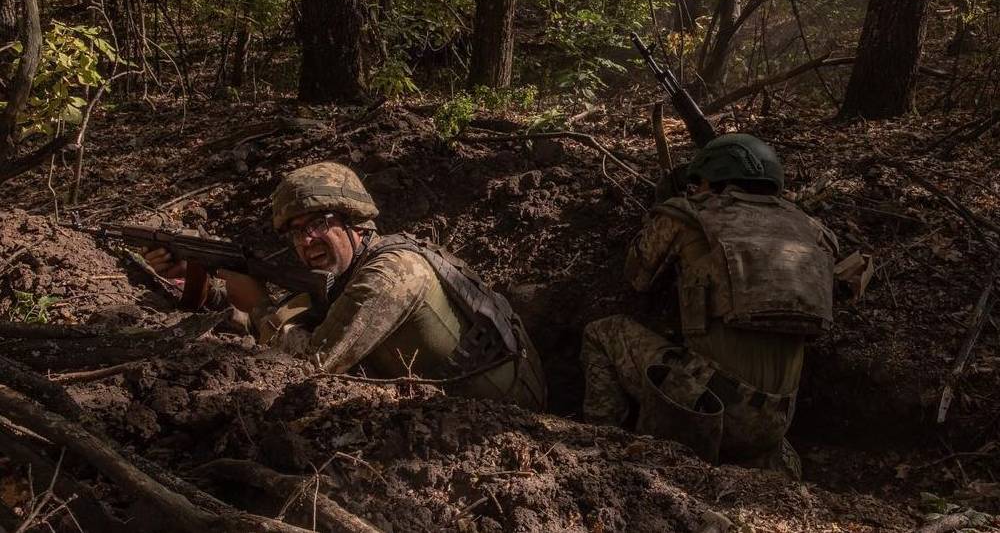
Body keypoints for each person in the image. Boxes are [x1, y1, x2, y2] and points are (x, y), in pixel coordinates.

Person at [145, 162, 546, 410]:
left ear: (354, 221)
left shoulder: (392, 273)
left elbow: (310, 367)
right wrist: (211, 288)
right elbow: (304, 311)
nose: (306, 241)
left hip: (501, 414)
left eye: (319, 223)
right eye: (296, 231)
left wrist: (261, 308)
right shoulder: (357, 266)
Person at [580, 134, 838, 478]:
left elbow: (637, 275)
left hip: (707, 409)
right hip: (777, 422)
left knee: (602, 332)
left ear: (712, 179)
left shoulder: (688, 216)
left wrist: (666, 205)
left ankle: (600, 446)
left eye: (697, 181)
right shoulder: (814, 232)